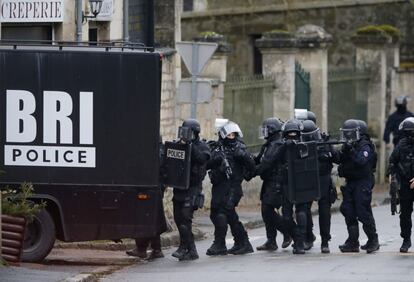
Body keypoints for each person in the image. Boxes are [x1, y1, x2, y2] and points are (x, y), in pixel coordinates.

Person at [206, 121, 256, 256]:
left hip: (233, 187)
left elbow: (252, 166)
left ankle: (220, 244)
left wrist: (244, 156)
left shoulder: (240, 148)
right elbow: (205, 164)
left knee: (223, 213)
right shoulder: (217, 147)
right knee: (217, 214)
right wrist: (215, 160)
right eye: (228, 134)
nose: (231, 136)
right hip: (218, 186)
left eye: (233, 134)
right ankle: (242, 242)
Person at [337, 119, 379, 253]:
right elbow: (340, 159)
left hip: (363, 182)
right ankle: (352, 241)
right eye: (346, 133)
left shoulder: (365, 146)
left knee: (362, 211)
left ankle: (373, 240)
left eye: (350, 133)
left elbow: (361, 161)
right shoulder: (349, 145)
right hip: (351, 181)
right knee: (348, 210)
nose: (348, 136)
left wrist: (351, 150)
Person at [171, 119, 211, 261]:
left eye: (187, 132)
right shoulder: (178, 145)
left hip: (193, 188)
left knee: (185, 218)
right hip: (179, 188)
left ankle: (184, 248)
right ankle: (191, 250)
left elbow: (201, 159)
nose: (184, 135)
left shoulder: (202, 146)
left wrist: (190, 145)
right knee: (178, 218)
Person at [126, 136, 167, 260]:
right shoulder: (158, 150)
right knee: (146, 218)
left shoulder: (159, 151)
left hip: (153, 188)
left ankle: (155, 249)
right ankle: (142, 248)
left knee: (150, 219)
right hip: (151, 187)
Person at [254, 118, 292, 251]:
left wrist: (254, 171)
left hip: (276, 182)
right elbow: (259, 160)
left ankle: (288, 232)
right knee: (266, 212)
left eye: (266, 129)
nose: (264, 132)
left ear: (271, 130)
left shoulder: (277, 144)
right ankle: (271, 240)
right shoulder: (268, 144)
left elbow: (266, 163)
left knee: (268, 210)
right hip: (269, 181)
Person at [301, 120, 338, 253]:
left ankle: (324, 241)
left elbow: (337, 158)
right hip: (308, 181)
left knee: (324, 212)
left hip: (323, 181)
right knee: (304, 209)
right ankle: (308, 237)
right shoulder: (301, 145)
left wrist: (329, 149)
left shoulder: (325, 143)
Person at [388, 117, 414, 252]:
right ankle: (406, 239)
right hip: (405, 184)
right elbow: (392, 161)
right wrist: (393, 178)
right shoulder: (401, 145)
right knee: (405, 214)